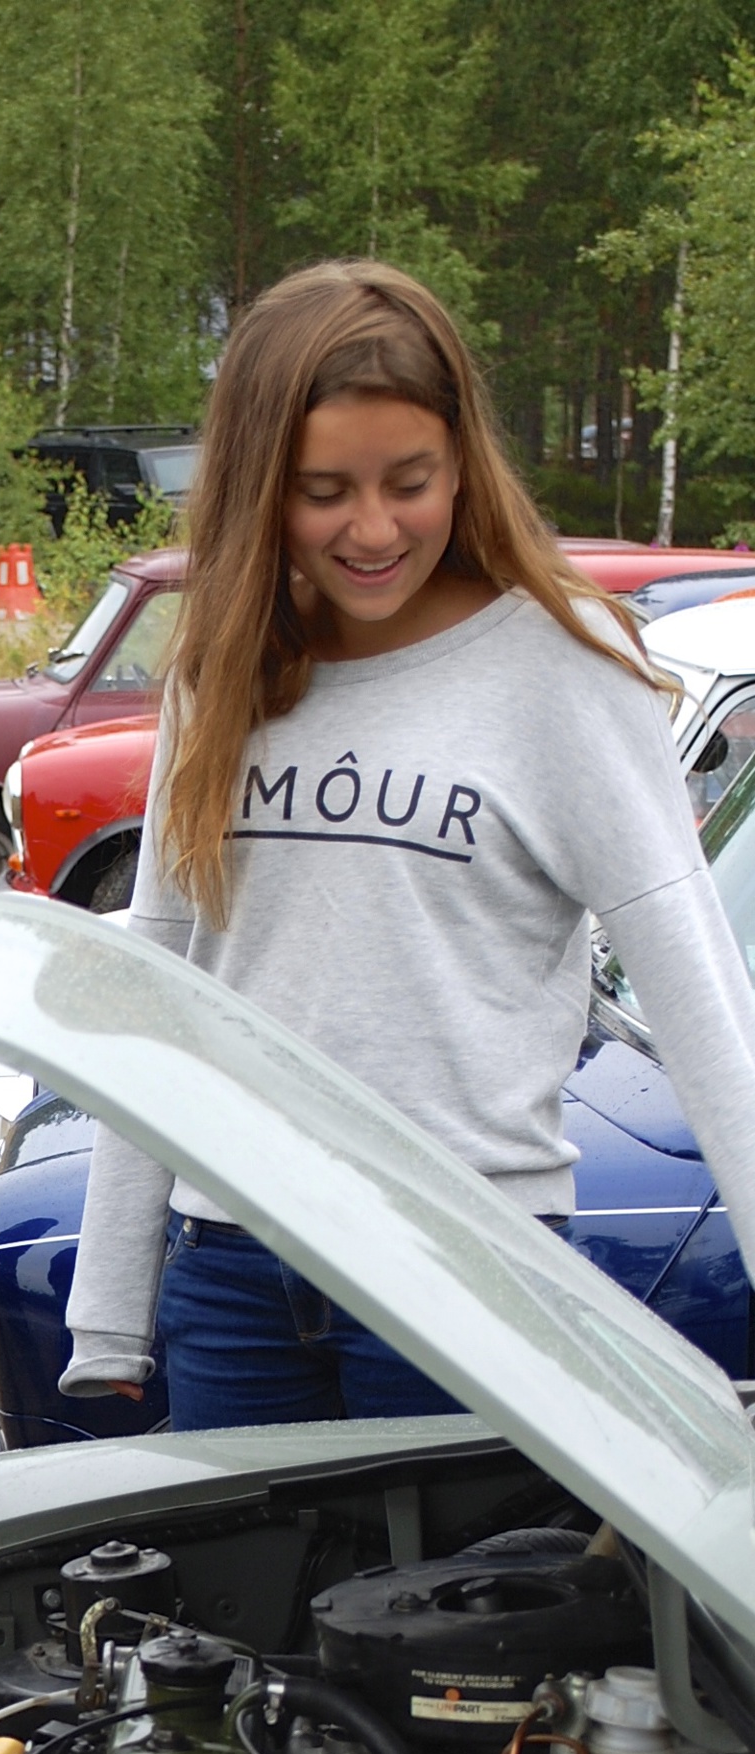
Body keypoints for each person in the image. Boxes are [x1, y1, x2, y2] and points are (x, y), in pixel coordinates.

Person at [61, 260, 755, 1427]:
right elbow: (161, 979)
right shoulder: (221, 667)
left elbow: (698, 993)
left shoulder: (565, 665)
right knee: (240, 1564)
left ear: (462, 465)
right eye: (324, 490)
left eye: (410, 481)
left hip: (470, 1272)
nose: (374, 527)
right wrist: (111, 1303)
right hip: (234, 1273)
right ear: (257, 486)